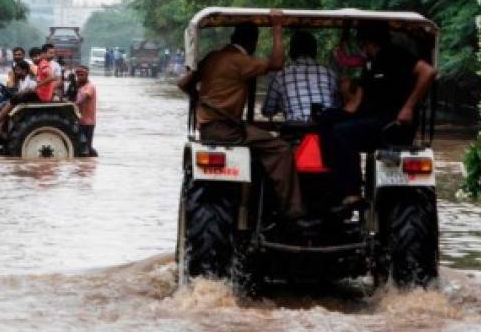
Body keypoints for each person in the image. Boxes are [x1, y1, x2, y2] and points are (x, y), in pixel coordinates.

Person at [178, 12, 306, 220]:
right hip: (229, 131)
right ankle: (293, 211)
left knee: (258, 137)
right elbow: (277, 63)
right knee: (281, 149)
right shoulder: (241, 61)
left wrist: (200, 99)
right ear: (252, 42)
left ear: (232, 38)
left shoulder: (212, 57)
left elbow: (183, 84)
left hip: (209, 129)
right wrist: (276, 28)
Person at [322, 21, 436, 207]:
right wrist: (333, 114)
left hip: (392, 123)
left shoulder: (396, 55)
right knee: (329, 122)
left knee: (340, 133)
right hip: (372, 121)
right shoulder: (371, 65)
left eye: (361, 43)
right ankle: (334, 187)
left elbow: (428, 71)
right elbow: (354, 105)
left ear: (367, 41)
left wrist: (408, 107)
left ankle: (351, 191)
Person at [262, 30, 339, 122]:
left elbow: (268, 111)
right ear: (314, 50)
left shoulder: (281, 75)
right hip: (325, 126)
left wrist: (281, 104)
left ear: (291, 51)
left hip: (295, 128)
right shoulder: (330, 73)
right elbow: (336, 103)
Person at [74, 65, 97, 156]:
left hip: (88, 122)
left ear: (86, 75)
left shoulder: (90, 86)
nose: (79, 77)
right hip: (80, 121)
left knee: (86, 146)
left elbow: (84, 97)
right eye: (78, 75)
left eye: (82, 75)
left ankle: (88, 167)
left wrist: (75, 103)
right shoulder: (79, 87)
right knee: (81, 145)